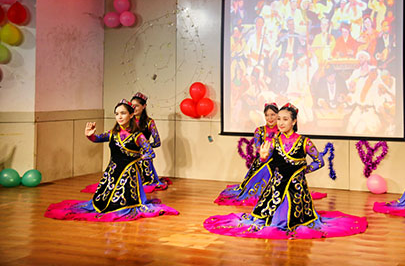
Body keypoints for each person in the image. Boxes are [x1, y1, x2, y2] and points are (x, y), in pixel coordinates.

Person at [204, 103, 367, 239]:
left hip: (296, 189)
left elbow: (320, 161)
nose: (280, 123)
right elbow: (267, 162)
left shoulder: (304, 142)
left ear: (294, 121)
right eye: (279, 119)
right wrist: (263, 157)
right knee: (266, 219)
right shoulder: (274, 142)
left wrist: (302, 171)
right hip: (275, 187)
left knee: (291, 219)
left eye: (285, 119)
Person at [45, 100, 178, 222]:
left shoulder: (138, 136)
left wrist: (137, 159)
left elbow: (150, 152)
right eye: (117, 114)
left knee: (121, 204)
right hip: (112, 172)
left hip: (128, 174)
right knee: (101, 203)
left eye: (123, 113)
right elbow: (97, 138)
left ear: (131, 115)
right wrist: (89, 135)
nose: (119, 117)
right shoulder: (113, 133)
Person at [214, 103, 280, 206]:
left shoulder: (282, 130)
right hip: (263, 160)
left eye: (273, 115)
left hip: (278, 161)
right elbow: (258, 147)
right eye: (267, 115)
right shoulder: (259, 130)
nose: (270, 118)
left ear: (278, 115)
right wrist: (266, 153)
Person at [131, 92, 172, 192]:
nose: (134, 108)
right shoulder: (128, 121)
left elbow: (157, 142)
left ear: (144, 106)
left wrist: (146, 147)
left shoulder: (149, 122)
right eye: (132, 105)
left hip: (143, 156)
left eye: (137, 106)